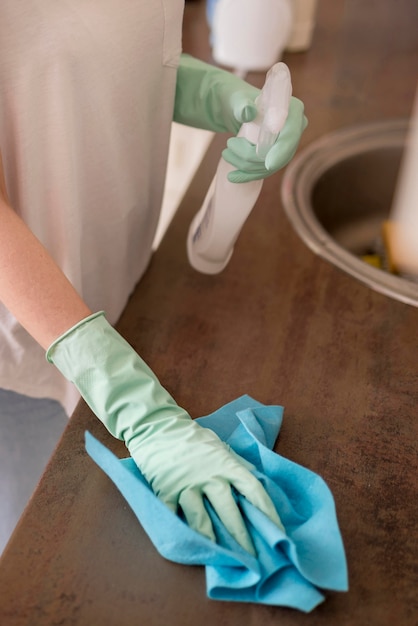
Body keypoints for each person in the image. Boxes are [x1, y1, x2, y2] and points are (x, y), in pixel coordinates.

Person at [0, 2, 306, 554]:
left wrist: (220, 97)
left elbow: (105, 57)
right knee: (43, 545)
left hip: (115, 283)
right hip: (21, 338)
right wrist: (137, 407)